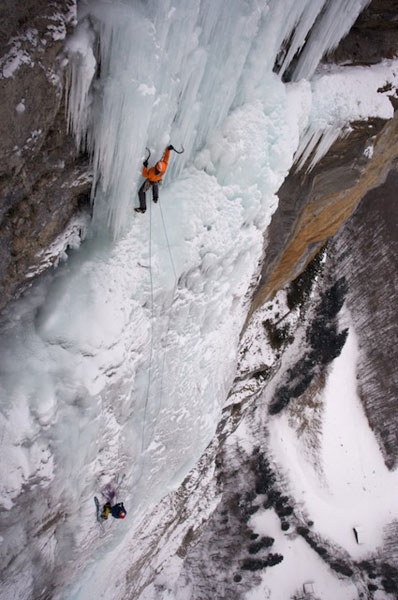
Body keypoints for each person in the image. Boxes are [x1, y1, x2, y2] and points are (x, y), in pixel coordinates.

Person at [135, 145, 175, 213]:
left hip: (150, 181)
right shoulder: (164, 168)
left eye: (157, 171)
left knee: (141, 192)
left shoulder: (152, 172)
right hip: (157, 180)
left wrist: (145, 166)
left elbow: (145, 174)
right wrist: (168, 150)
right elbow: (166, 158)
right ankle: (155, 197)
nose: (156, 172)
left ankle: (143, 208)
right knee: (155, 185)